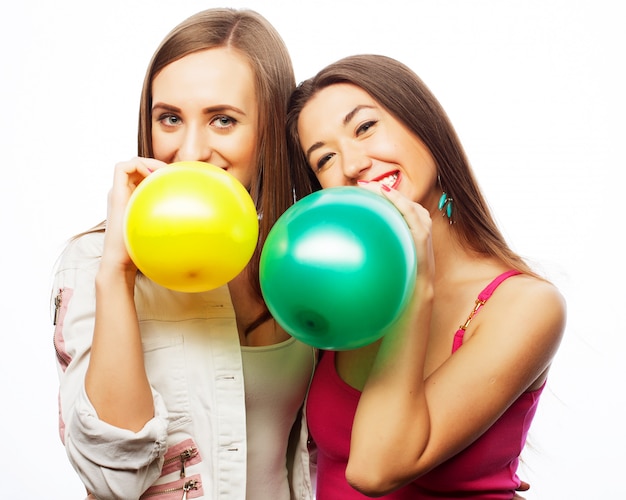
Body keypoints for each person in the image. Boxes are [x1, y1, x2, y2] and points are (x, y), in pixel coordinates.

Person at [52, 8, 316, 500]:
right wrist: (117, 273)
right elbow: (111, 478)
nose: (190, 151)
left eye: (222, 120)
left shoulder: (303, 260)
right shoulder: (94, 262)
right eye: (170, 118)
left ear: (271, 132)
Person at [286, 54, 566, 499]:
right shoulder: (340, 298)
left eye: (364, 128)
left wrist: (417, 286)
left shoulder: (525, 304)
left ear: (422, 123)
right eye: (324, 159)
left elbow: (375, 470)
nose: (354, 163)